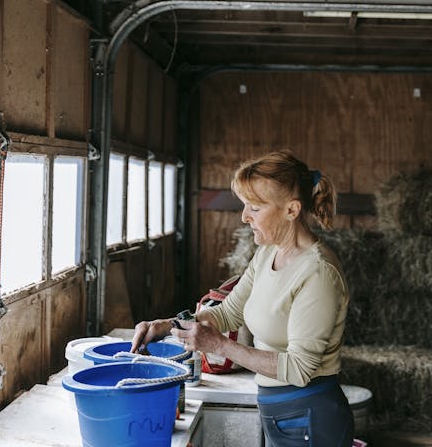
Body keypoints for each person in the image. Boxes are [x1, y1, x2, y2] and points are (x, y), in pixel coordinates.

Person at [131, 150, 353, 446]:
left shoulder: (318, 273)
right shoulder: (267, 253)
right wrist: (169, 325)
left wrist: (220, 345)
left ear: (292, 210)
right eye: (244, 205)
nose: (245, 217)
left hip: (309, 415)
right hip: (281, 412)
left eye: (255, 208)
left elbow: (300, 369)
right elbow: (228, 313)